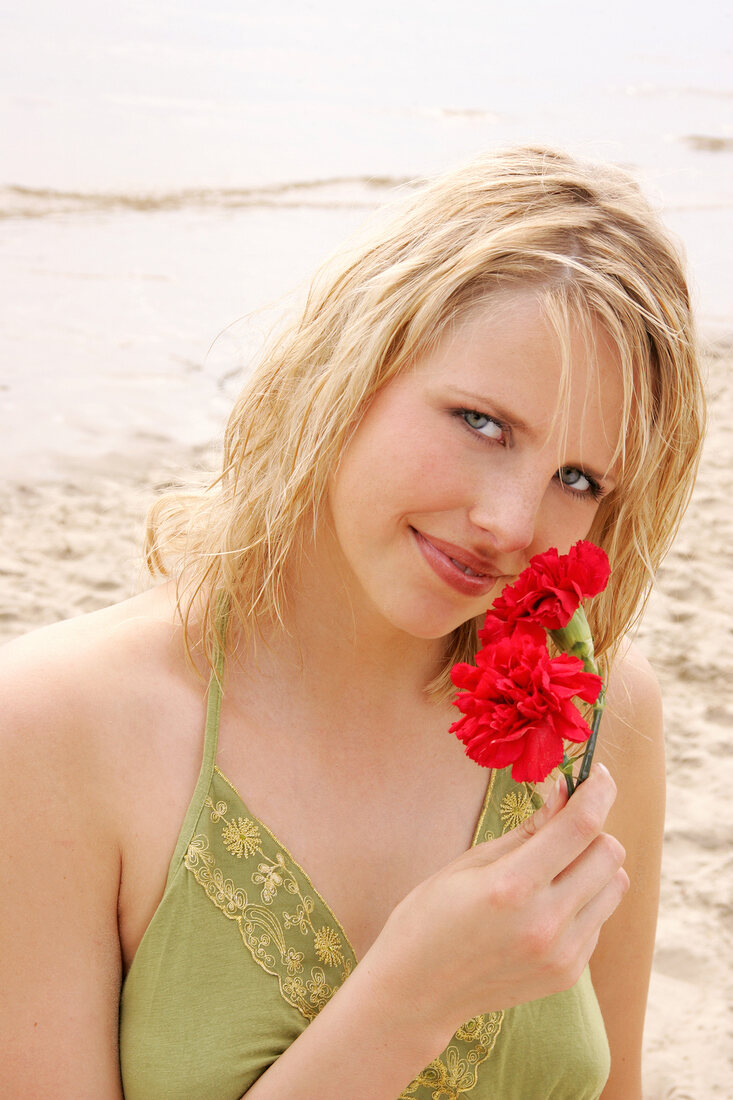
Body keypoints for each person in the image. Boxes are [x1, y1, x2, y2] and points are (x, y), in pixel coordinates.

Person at [0, 146, 705, 1099]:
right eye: (481, 421)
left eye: (576, 479)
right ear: (354, 366)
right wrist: (410, 1001)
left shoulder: (598, 713)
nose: (510, 522)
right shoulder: (54, 729)